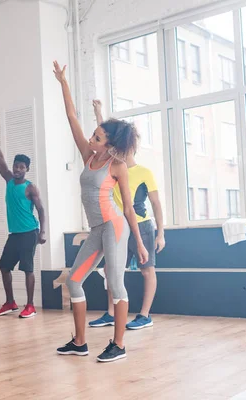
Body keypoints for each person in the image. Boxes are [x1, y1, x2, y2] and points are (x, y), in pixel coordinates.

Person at [53, 61, 149, 363]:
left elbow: (129, 208)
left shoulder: (117, 166)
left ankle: (118, 345)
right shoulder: (88, 156)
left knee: (116, 283)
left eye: (97, 137)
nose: (91, 140)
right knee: (74, 280)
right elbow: (71, 118)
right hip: (96, 228)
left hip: (114, 227)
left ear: (109, 143)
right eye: (92, 136)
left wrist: (140, 242)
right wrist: (63, 83)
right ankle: (80, 342)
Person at [88, 100, 166, 330]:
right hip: (117, 226)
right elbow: (106, 135)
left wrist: (161, 234)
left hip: (142, 226)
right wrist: (98, 113)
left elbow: (156, 204)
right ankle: (111, 313)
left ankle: (144, 315)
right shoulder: (112, 168)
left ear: (129, 148)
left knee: (146, 270)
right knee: (112, 269)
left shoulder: (144, 172)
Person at [0, 119, 46, 319]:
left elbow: (41, 210)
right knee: (4, 266)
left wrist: (43, 232)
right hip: (15, 234)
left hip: (30, 233)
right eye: (16, 166)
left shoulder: (30, 187)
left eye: (22, 167)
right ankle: (11, 302)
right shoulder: (9, 180)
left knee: (28, 269)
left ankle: (30, 305)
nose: (18, 169)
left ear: (27, 169)